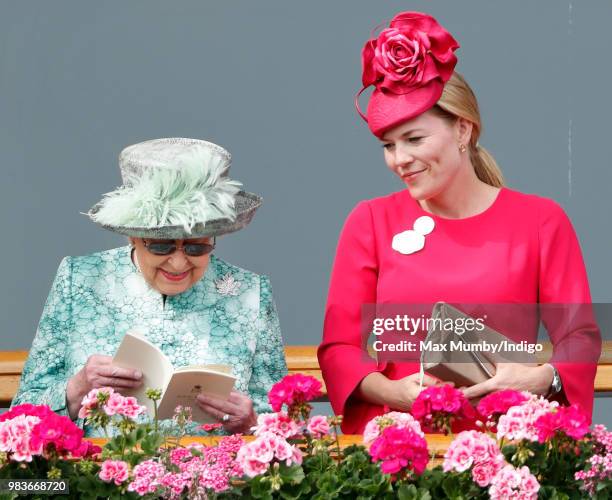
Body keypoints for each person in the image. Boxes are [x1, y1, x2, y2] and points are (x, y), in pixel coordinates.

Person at [318, 12, 601, 434]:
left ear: (463, 130)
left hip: (506, 443)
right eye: (388, 145)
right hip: (399, 442)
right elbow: (340, 346)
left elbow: (579, 334)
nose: (399, 159)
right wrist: (393, 392)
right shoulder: (371, 221)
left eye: (414, 139)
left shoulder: (541, 221)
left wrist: (541, 377)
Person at [13, 138, 287, 436]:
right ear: (132, 236)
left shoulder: (249, 292)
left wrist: (252, 423)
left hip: (214, 477)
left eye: (197, 247)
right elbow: (22, 414)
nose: (179, 263)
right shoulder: (80, 278)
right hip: (98, 475)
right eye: (161, 246)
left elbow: (283, 424)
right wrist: (76, 390)